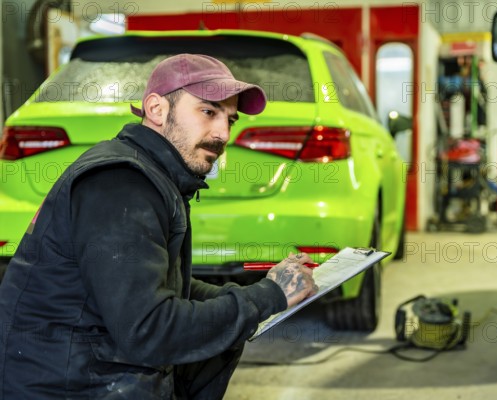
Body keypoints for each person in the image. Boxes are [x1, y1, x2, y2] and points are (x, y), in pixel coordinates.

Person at [0, 54, 318, 399]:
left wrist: (265, 291)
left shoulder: (151, 174)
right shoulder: (121, 183)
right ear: (156, 109)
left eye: (230, 119)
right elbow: (148, 330)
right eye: (208, 112)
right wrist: (266, 297)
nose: (223, 134)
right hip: (66, 387)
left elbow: (164, 285)